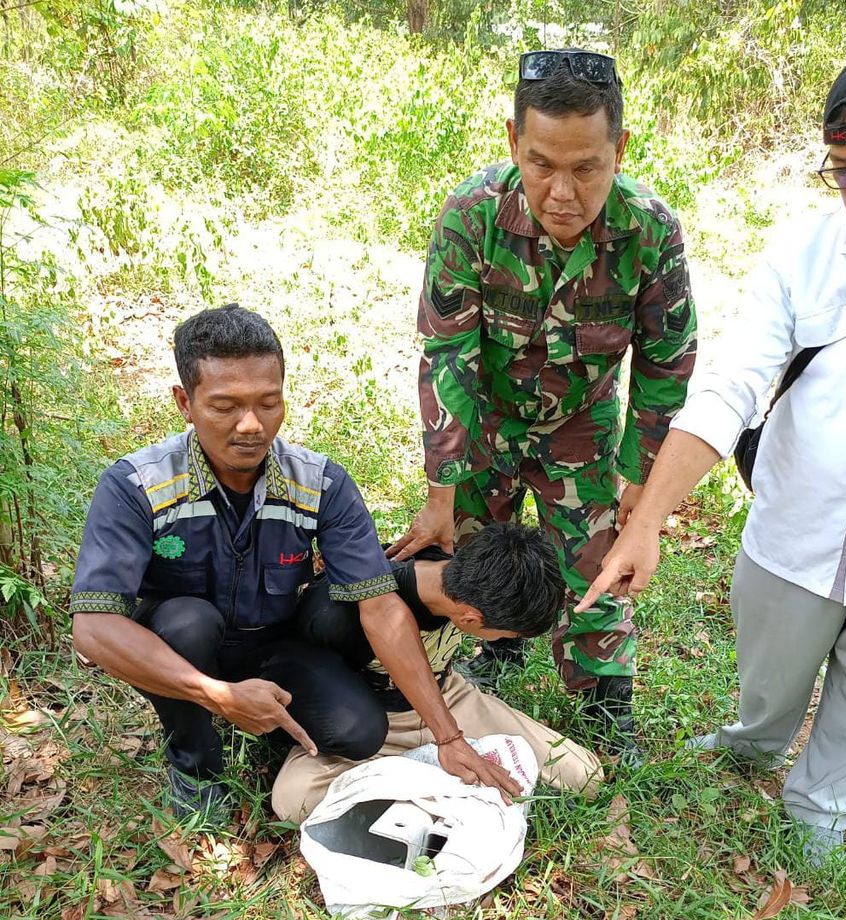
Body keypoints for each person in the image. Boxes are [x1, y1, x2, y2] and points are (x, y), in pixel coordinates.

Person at [577, 38, 846, 861]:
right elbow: (730, 385)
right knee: (770, 675)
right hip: (797, 529)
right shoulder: (803, 253)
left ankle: (824, 801)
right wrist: (648, 518)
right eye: (841, 170)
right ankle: (754, 740)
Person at [70, 304, 520, 819]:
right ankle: (194, 762)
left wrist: (448, 736)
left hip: (274, 643)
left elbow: (380, 606)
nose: (250, 425)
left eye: (268, 403)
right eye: (224, 406)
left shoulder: (321, 483)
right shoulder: (135, 486)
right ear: (184, 403)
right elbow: (94, 628)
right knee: (186, 621)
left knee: (361, 731)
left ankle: (269, 717)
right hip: (189, 649)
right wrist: (217, 695)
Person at [387, 49, 698, 763]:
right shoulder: (473, 214)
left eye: (587, 167)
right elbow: (447, 355)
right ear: (512, 143)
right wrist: (443, 489)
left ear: (620, 149)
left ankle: (602, 694)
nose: (563, 191)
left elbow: (665, 363)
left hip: (582, 425)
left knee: (597, 562)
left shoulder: (650, 230)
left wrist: (639, 484)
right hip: (484, 421)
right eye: (541, 163)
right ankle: (493, 651)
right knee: (474, 552)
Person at [271, 522, 604, 823]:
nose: (506, 641)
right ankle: (425, 774)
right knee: (294, 800)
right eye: (507, 635)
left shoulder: (461, 574)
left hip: (448, 696)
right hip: (373, 723)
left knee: (584, 777)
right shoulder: (337, 615)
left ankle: (428, 771)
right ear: (470, 619)